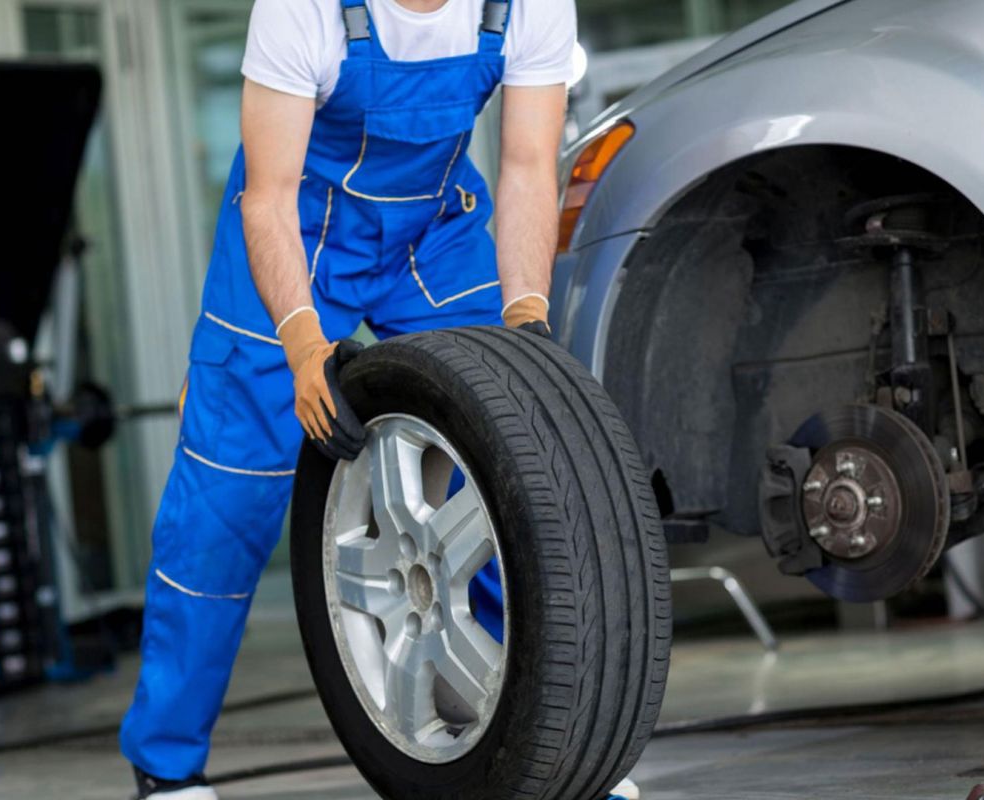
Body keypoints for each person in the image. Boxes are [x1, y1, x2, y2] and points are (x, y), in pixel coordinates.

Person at [117, 1, 639, 798]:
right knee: (225, 501)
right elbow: (267, 196)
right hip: (298, 234)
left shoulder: (528, 4)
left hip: (432, 227)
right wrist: (300, 344)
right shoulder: (303, 10)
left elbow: (530, 164)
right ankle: (166, 766)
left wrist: (525, 318)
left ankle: (561, 755)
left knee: (518, 469)